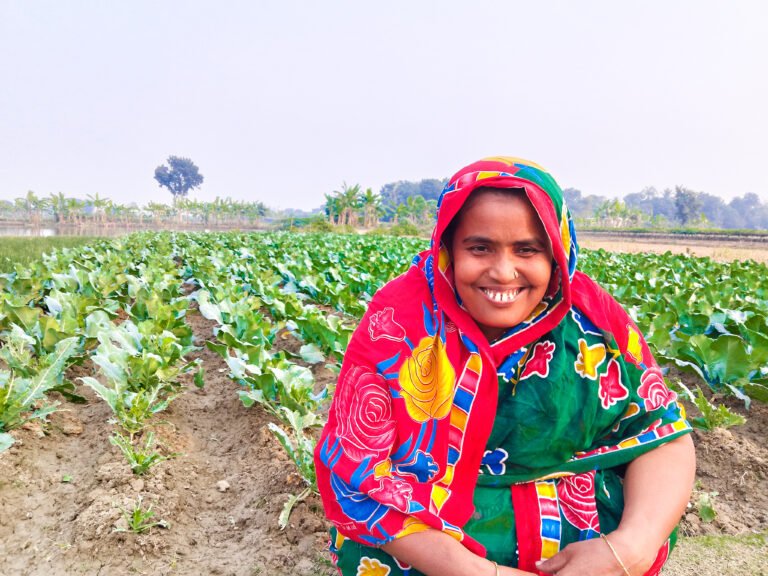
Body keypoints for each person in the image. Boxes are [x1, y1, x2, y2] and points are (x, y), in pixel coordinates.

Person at [314, 157, 695, 576]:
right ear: (447, 249)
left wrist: (627, 549)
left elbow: (662, 436)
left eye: (527, 249)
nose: (502, 272)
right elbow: (351, 470)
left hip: (583, 546)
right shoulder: (399, 321)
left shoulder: (593, 323)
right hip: (434, 546)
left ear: (556, 253)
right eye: (479, 248)